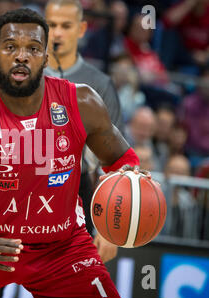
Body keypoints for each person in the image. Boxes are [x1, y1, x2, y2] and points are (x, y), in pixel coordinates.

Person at [0, 8, 148, 298]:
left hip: (62, 247)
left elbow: (121, 161)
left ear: (46, 58)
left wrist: (119, 212)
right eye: (10, 47)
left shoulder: (82, 102)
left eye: (33, 48)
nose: (21, 56)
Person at [44, 0, 124, 263]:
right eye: (51, 25)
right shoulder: (21, 74)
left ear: (81, 29)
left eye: (65, 26)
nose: (57, 33)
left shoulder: (100, 84)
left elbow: (114, 160)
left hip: (78, 190)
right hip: (20, 189)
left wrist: (108, 228)